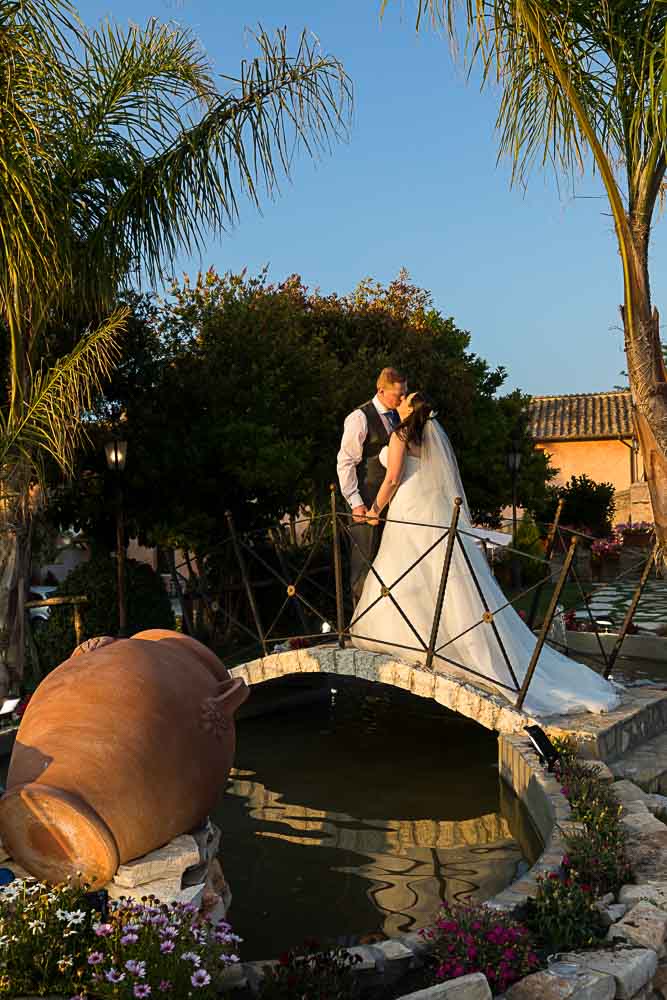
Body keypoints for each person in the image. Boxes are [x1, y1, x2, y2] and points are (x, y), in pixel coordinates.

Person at [350, 391, 621, 718]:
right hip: (432, 512)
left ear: (409, 409)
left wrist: (375, 509)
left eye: (405, 398)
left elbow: (393, 477)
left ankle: (418, 641)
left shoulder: (401, 434)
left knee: (411, 573)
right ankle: (443, 643)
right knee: (442, 576)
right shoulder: (428, 437)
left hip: (409, 510)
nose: (401, 400)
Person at [337, 367, 407, 603]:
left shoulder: (400, 416)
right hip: (367, 503)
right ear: (381, 391)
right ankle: (360, 627)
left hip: (395, 503)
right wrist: (355, 503)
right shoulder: (359, 417)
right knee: (364, 564)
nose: (402, 398)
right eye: (398, 393)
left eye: (404, 393)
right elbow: (346, 462)